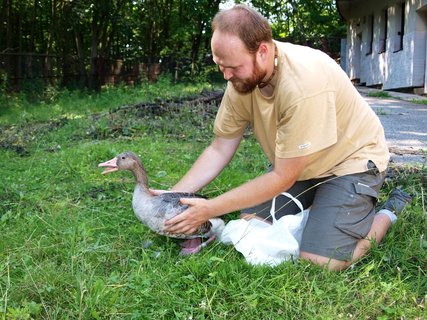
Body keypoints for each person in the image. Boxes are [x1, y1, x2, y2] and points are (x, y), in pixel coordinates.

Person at [162, 4, 412, 271]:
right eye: (220, 66)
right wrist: (170, 197)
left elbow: (283, 177)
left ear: (263, 51)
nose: (226, 75)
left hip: (351, 164)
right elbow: (219, 148)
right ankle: (323, 207)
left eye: (233, 67)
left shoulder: (302, 84)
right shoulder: (241, 81)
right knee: (250, 224)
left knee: (321, 263)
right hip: (304, 163)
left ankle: (390, 211)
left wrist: (209, 208)